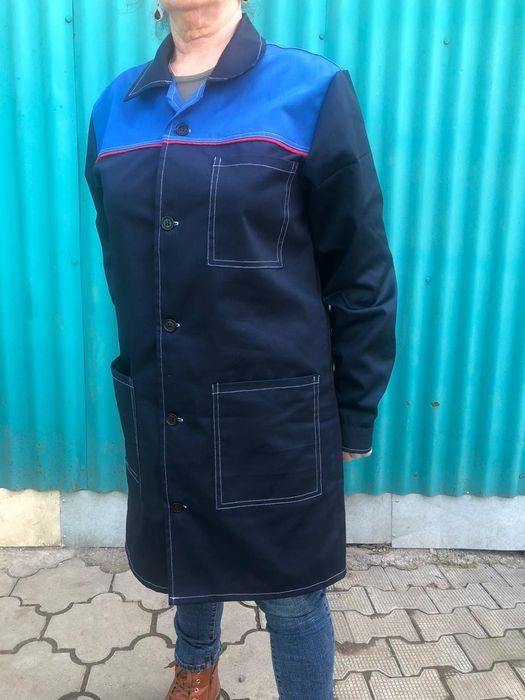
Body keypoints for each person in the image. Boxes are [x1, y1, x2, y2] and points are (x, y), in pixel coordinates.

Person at [84, 0, 397, 697]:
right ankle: (196, 671)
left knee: (292, 592)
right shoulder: (114, 109)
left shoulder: (310, 91)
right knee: (186, 547)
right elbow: (119, 259)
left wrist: (355, 409)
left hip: (274, 409)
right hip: (167, 391)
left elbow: (360, 267)